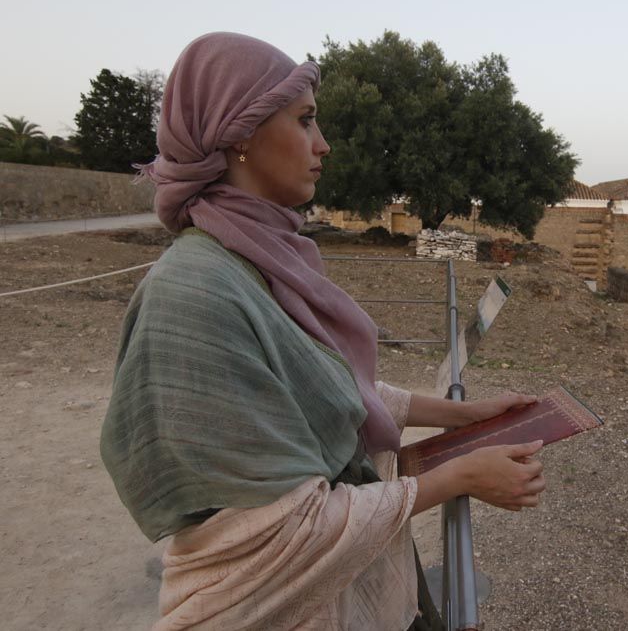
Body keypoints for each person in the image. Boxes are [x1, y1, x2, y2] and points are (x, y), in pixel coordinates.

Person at [99, 32, 546, 631]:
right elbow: (277, 530)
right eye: (306, 121)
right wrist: (463, 475)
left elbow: (318, 387)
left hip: (359, 585)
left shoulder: (255, 257)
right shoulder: (193, 293)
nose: (324, 144)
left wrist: (466, 415)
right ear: (241, 135)